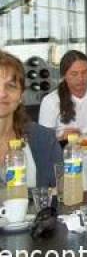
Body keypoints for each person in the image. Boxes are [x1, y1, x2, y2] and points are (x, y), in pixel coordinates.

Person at [0, 51, 62, 188]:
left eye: (10, 86)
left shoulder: (44, 139)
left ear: (21, 95)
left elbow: (62, 195)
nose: (2, 93)